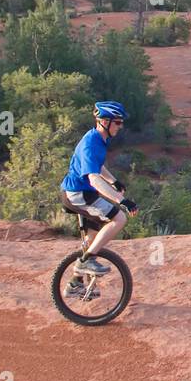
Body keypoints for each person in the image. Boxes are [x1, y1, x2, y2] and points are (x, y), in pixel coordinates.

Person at [60, 102, 136, 288]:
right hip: (78, 194)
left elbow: (97, 165)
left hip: (82, 193)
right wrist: (122, 201)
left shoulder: (99, 139)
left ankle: (75, 283)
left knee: (92, 236)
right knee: (118, 218)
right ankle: (87, 261)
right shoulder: (90, 143)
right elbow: (93, 178)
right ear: (104, 121)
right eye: (117, 122)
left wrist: (113, 181)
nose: (120, 126)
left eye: (120, 122)